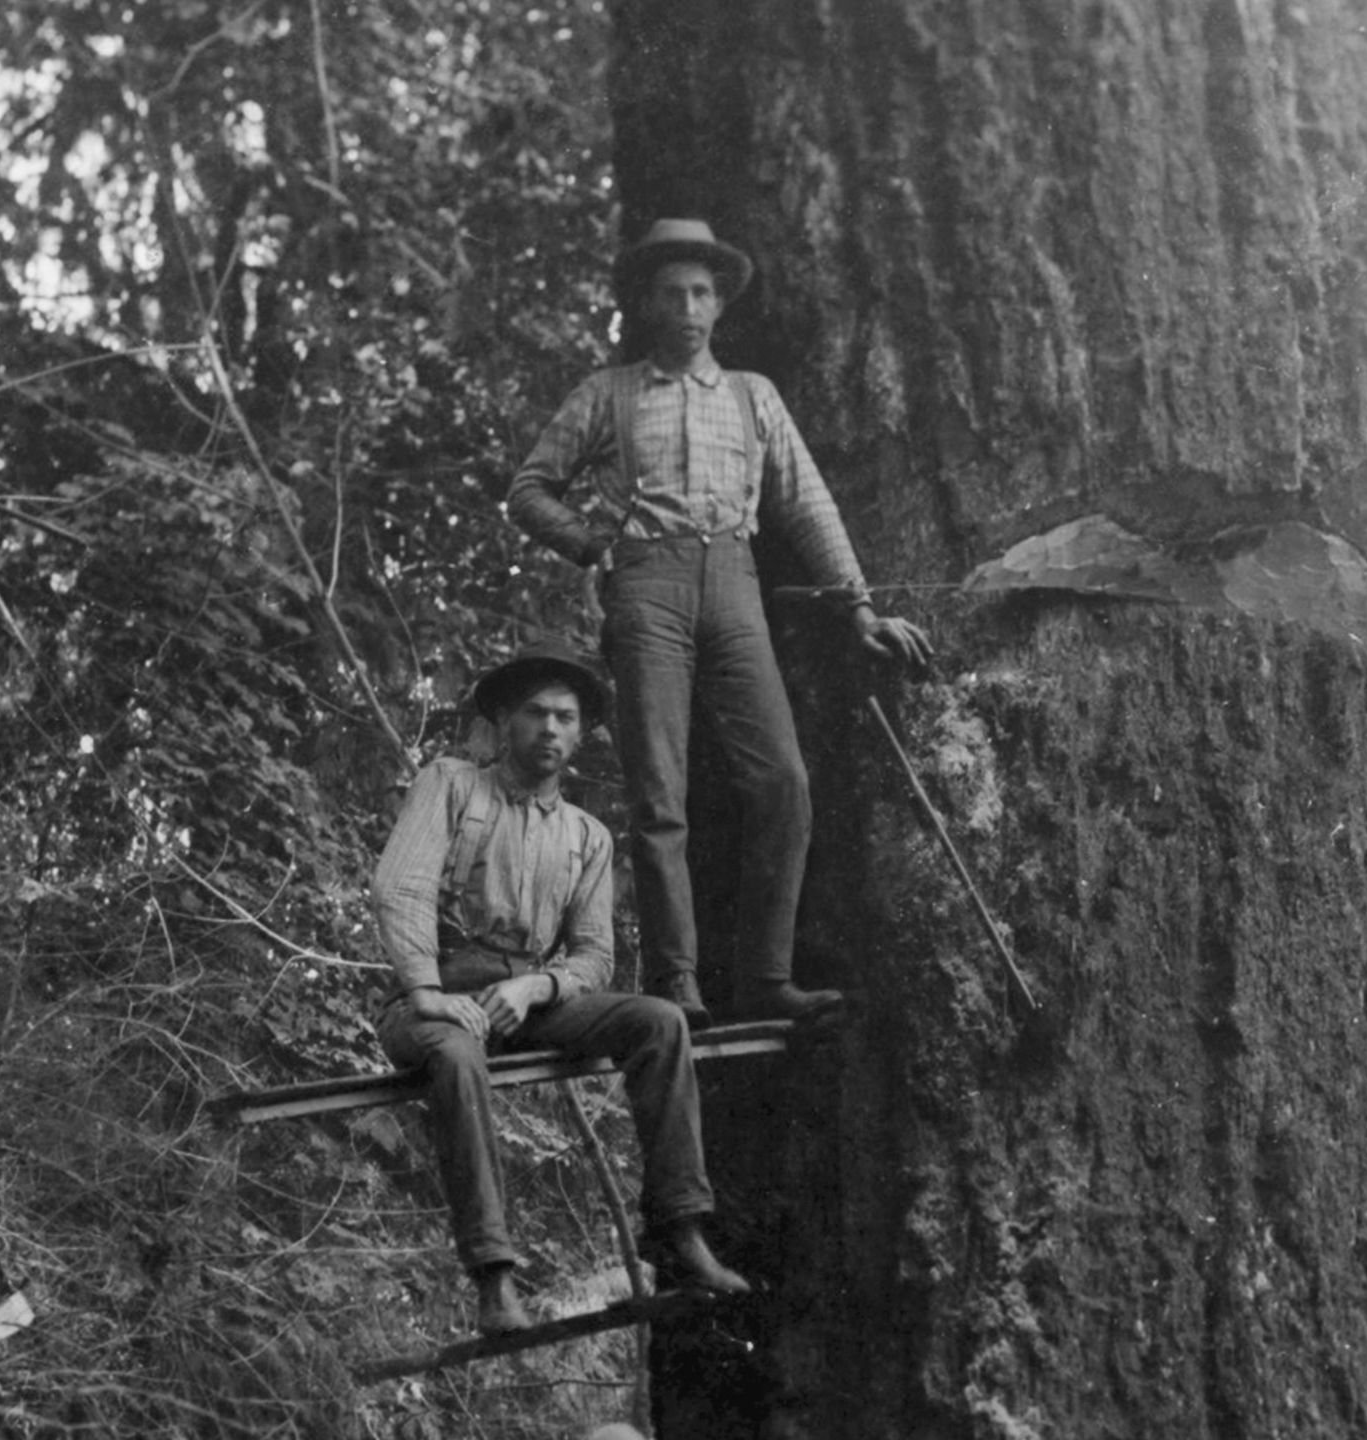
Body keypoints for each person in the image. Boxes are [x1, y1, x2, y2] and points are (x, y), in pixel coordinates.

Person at [506, 217, 933, 1029]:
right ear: (647, 303)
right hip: (647, 588)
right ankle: (676, 982)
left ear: (720, 305)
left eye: (703, 293)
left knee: (782, 782)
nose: (689, 308)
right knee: (661, 793)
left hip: (735, 585)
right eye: (673, 293)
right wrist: (595, 544)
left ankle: (768, 977)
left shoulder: (752, 396)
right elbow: (530, 489)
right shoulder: (610, 393)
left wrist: (859, 608)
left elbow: (807, 503)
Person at [373, 638, 749, 1336]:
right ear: (506, 724)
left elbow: (594, 955)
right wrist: (427, 993)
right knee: (456, 1057)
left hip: (525, 1004)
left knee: (660, 1022)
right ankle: (495, 1281)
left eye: (566, 718)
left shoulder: (587, 836)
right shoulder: (452, 784)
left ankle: (681, 1230)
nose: (551, 730)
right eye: (537, 714)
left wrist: (539, 987)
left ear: (581, 733)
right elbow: (401, 888)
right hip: (433, 1002)